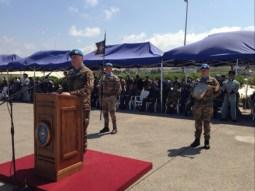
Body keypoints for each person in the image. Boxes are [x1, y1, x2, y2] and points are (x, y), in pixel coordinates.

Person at [62, 49, 94, 153]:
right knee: (70, 130)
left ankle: (82, 152)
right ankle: (73, 150)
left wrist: (71, 94)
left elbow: (88, 89)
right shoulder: (71, 73)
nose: (73, 59)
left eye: (75, 57)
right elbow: (66, 88)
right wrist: (58, 92)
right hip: (69, 106)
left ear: (82, 59)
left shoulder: (87, 72)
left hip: (82, 106)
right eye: (72, 58)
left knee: (81, 130)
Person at [190, 64, 220, 149]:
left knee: (207, 123)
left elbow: (218, 92)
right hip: (198, 104)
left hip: (208, 105)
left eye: (206, 69)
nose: (204, 71)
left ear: (208, 70)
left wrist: (214, 89)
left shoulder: (213, 80)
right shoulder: (197, 80)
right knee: (197, 123)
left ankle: (207, 141)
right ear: (200, 71)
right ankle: (197, 140)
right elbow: (192, 91)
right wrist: (195, 95)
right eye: (202, 70)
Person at [99, 63, 121, 134]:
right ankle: (106, 127)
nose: (107, 69)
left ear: (111, 68)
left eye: (108, 67)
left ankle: (115, 128)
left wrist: (114, 96)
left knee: (112, 113)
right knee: (105, 113)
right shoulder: (103, 77)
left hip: (111, 97)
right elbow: (100, 86)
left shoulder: (115, 77)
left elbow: (119, 89)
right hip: (104, 97)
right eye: (106, 67)